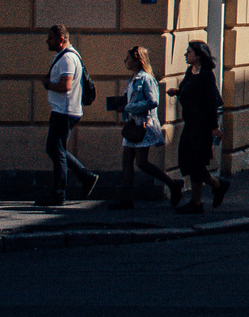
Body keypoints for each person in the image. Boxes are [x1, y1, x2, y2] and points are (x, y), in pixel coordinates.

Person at [109, 46, 177, 209]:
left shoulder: (146, 78)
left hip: (143, 124)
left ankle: (172, 184)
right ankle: (126, 199)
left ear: (137, 60)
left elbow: (153, 101)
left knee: (141, 162)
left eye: (128, 58)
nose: (125, 61)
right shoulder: (132, 79)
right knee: (127, 160)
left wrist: (129, 107)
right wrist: (123, 106)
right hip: (132, 124)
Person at [38, 24, 98, 206]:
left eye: (50, 38)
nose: (47, 41)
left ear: (61, 39)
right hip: (65, 110)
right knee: (56, 149)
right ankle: (85, 176)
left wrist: (48, 84)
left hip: (64, 111)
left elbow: (66, 85)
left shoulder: (67, 59)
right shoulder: (68, 56)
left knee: (56, 150)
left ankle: (59, 193)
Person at [171, 38, 231, 214]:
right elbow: (189, 91)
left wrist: (214, 127)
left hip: (202, 126)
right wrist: (177, 92)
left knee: (195, 163)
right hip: (191, 123)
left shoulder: (206, 75)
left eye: (189, 52)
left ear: (198, 55)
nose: (186, 54)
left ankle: (217, 185)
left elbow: (210, 102)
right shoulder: (191, 71)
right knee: (190, 162)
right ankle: (196, 202)